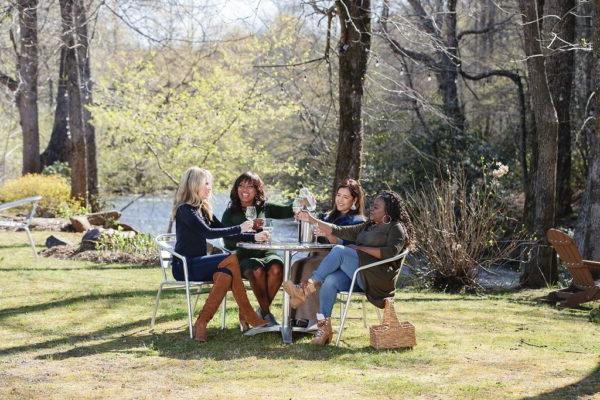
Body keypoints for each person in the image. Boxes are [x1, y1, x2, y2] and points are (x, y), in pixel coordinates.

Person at [283, 190, 416, 346]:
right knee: (330, 281)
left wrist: (360, 249)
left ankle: (305, 289)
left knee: (339, 251)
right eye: (372, 206)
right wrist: (312, 220)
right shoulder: (369, 225)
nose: (371, 209)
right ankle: (324, 329)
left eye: (376, 207)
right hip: (360, 273)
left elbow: (390, 253)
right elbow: (340, 230)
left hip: (377, 278)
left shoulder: (396, 228)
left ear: (387, 211)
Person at [172, 167, 269, 342]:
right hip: (185, 266)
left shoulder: (201, 208)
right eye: (206, 183)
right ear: (194, 185)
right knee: (231, 258)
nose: (209, 187)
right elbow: (209, 233)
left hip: (200, 263)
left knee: (225, 275)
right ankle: (248, 314)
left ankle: (201, 323)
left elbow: (223, 231)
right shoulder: (184, 210)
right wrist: (241, 227)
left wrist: (253, 236)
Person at [290, 179, 366, 329]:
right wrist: (306, 218)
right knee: (298, 265)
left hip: (339, 262)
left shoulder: (358, 221)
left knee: (311, 267)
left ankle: (313, 319)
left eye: (346, 197)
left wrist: (326, 232)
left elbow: (342, 245)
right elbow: (314, 228)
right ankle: (296, 318)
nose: (340, 200)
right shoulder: (328, 216)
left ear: (354, 200)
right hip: (319, 254)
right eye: (339, 195)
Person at [221, 171, 295, 326]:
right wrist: (246, 234)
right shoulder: (230, 213)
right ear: (236, 189)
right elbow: (227, 242)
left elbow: (289, 210)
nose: (244, 189)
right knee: (257, 270)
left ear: (257, 190)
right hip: (243, 255)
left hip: (266, 251)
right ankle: (267, 315)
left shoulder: (265, 207)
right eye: (241, 185)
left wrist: (301, 200)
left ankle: (260, 312)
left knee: (277, 268)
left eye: (250, 186)